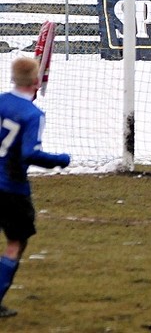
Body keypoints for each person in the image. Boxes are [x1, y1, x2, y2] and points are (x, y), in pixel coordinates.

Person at [0, 57, 71, 318]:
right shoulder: (32, 114)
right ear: (35, 81)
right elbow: (30, 153)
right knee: (15, 242)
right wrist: (60, 160)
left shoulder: (0, 101)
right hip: (10, 188)